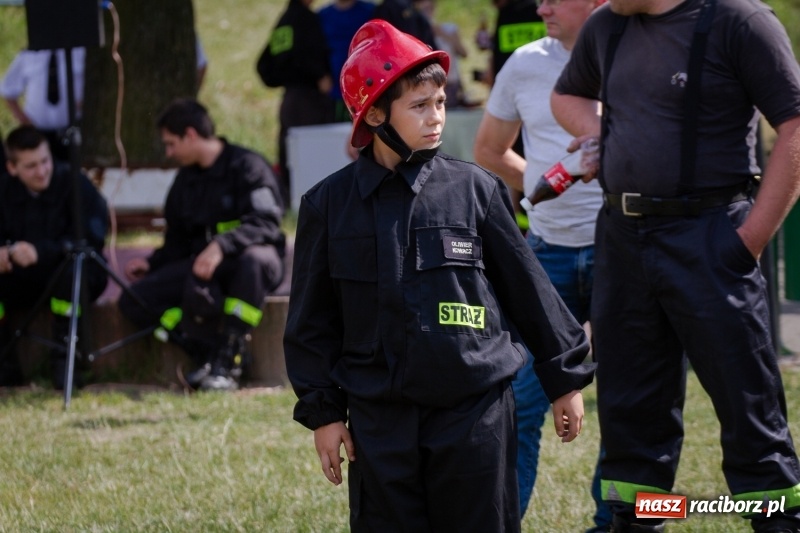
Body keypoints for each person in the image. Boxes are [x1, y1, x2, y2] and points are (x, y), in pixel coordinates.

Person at [283, 19, 595, 531]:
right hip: (379, 426)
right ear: (375, 112)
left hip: (474, 416)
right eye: (419, 105)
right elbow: (311, 324)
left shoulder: (476, 191)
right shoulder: (327, 207)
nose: (437, 118)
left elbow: (528, 289)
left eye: (441, 102)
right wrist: (324, 414)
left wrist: (564, 379)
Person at [550, 0, 800, 530]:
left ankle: (779, 520)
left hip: (711, 235)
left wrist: (749, 240)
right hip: (621, 239)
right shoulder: (607, 24)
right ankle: (632, 520)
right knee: (629, 416)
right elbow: (566, 93)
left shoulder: (742, 22)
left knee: (747, 408)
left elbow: (796, 129)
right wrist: (601, 133)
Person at [473, 0, 610, 529]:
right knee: (520, 403)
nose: (541, 6)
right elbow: (489, 149)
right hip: (546, 256)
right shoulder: (525, 61)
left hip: (620, 252)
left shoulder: (631, 55)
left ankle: (614, 521)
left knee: (625, 405)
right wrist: (550, 179)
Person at [118, 99, 286, 392]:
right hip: (203, 267)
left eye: (171, 144)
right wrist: (153, 263)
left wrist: (222, 245)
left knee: (254, 262)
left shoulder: (247, 166)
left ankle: (229, 356)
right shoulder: (185, 181)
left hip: (249, 262)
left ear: (191, 135)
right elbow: (178, 238)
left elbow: (267, 222)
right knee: (134, 301)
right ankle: (206, 353)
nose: (169, 152)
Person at [0, 125, 108, 389]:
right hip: (23, 276)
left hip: (70, 269)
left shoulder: (74, 183)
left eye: (45, 161)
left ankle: (66, 362)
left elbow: (91, 237)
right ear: (12, 168)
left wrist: (41, 251)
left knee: (73, 277)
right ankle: (5, 364)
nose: (41, 171)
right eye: (31, 166)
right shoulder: (4, 190)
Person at [256, 0, 335, 209]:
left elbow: (264, 66)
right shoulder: (307, 19)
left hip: (289, 101)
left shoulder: (284, 21)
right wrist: (320, 76)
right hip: (309, 101)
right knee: (312, 153)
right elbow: (307, 53)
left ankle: (288, 200)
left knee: (289, 152)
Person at [0, 48, 86, 162]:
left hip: (72, 130)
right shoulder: (29, 54)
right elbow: (8, 89)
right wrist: (23, 119)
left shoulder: (80, 52)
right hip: (37, 131)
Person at [318, 0, 376, 122]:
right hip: (333, 90)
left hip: (363, 88)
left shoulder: (370, 11)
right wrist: (321, 75)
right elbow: (315, 49)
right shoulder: (322, 15)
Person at [413, 0, 468, 107]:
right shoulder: (417, 32)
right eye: (424, 9)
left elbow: (464, 53)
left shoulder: (449, 28)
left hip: (451, 81)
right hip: (427, 82)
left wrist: (442, 33)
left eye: (429, 8)